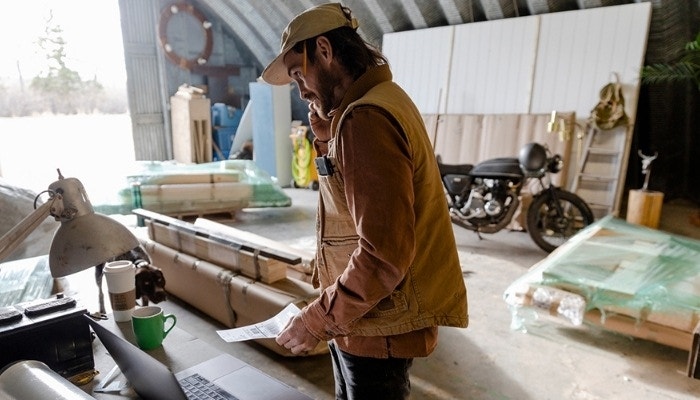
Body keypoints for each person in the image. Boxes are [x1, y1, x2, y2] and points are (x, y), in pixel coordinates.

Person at [261, 3, 468, 399]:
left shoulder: (366, 119)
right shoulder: (380, 99)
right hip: (359, 316)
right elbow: (349, 204)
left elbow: (383, 254)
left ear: (324, 50)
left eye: (298, 73)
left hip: (376, 321)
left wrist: (316, 320)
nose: (301, 89)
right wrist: (326, 137)